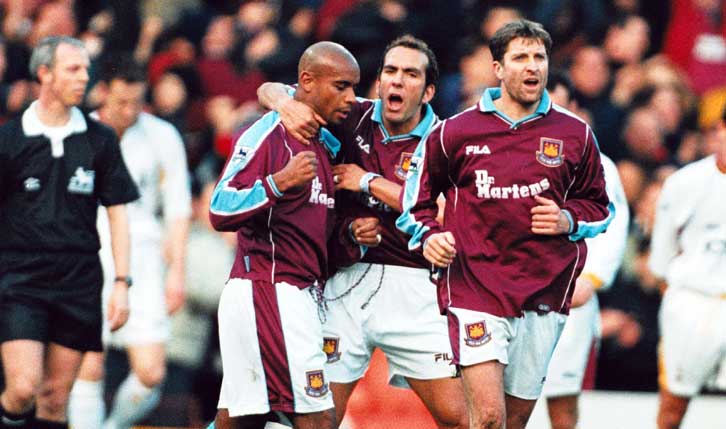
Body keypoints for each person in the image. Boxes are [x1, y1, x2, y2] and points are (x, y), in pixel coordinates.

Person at [397, 20, 613, 429]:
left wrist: (568, 219)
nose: (532, 67)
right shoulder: (455, 133)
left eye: (539, 57)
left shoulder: (575, 134)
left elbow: (601, 208)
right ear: (498, 68)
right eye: (520, 58)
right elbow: (416, 200)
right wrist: (428, 236)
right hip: (475, 285)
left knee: (513, 422)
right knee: (490, 418)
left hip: (543, 290)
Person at [257, 35, 468, 429]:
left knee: (463, 417)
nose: (397, 81)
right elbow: (268, 89)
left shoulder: (446, 140)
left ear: (429, 90)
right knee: (312, 418)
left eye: (410, 74)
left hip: (416, 284)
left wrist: (367, 181)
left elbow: (440, 209)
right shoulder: (351, 115)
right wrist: (286, 105)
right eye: (390, 71)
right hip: (348, 282)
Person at [208, 41, 374, 429]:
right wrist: (278, 183)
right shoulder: (268, 133)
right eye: (341, 86)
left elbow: (314, 236)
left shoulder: (325, 144)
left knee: (241, 420)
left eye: (354, 87)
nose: (350, 98)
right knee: (317, 420)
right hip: (268, 287)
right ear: (307, 81)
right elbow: (220, 207)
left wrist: (351, 236)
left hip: (295, 294)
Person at [0, 36, 138, 429]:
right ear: (44, 73)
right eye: (73, 69)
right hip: (19, 277)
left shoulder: (100, 139)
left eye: (86, 69)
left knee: (55, 399)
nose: (84, 77)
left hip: (78, 278)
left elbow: (117, 211)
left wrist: (122, 282)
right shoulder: (10, 140)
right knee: (23, 388)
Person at [67, 57, 192, 429]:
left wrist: (177, 272)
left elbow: (178, 209)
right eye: (122, 102)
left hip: (144, 259)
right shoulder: (77, 130)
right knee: (87, 363)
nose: (130, 111)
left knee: (151, 371)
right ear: (103, 92)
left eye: (137, 102)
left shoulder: (162, 136)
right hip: (87, 254)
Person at [542, 71, 630, 429]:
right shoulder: (504, 155)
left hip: (571, 294)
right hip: (511, 292)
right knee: (499, 400)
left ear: (576, 109)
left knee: (562, 400)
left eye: (559, 107)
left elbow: (613, 224)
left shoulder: (599, 164)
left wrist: (591, 278)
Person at [648, 105, 726, 429]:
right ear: (719, 129)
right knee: (673, 404)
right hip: (694, 302)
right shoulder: (684, 182)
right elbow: (662, 256)